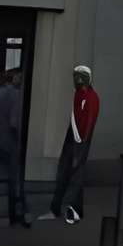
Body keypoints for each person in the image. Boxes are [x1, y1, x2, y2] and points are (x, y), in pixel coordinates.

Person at [43, 63, 99, 224]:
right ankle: (65, 208)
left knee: (75, 173)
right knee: (66, 172)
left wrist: (82, 143)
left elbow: (89, 121)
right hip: (72, 136)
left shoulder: (91, 97)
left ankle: (71, 209)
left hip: (80, 139)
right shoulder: (78, 95)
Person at [0, 67, 29, 228]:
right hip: (7, 142)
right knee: (16, 180)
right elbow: (15, 123)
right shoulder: (14, 95)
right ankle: (17, 215)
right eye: (20, 77)